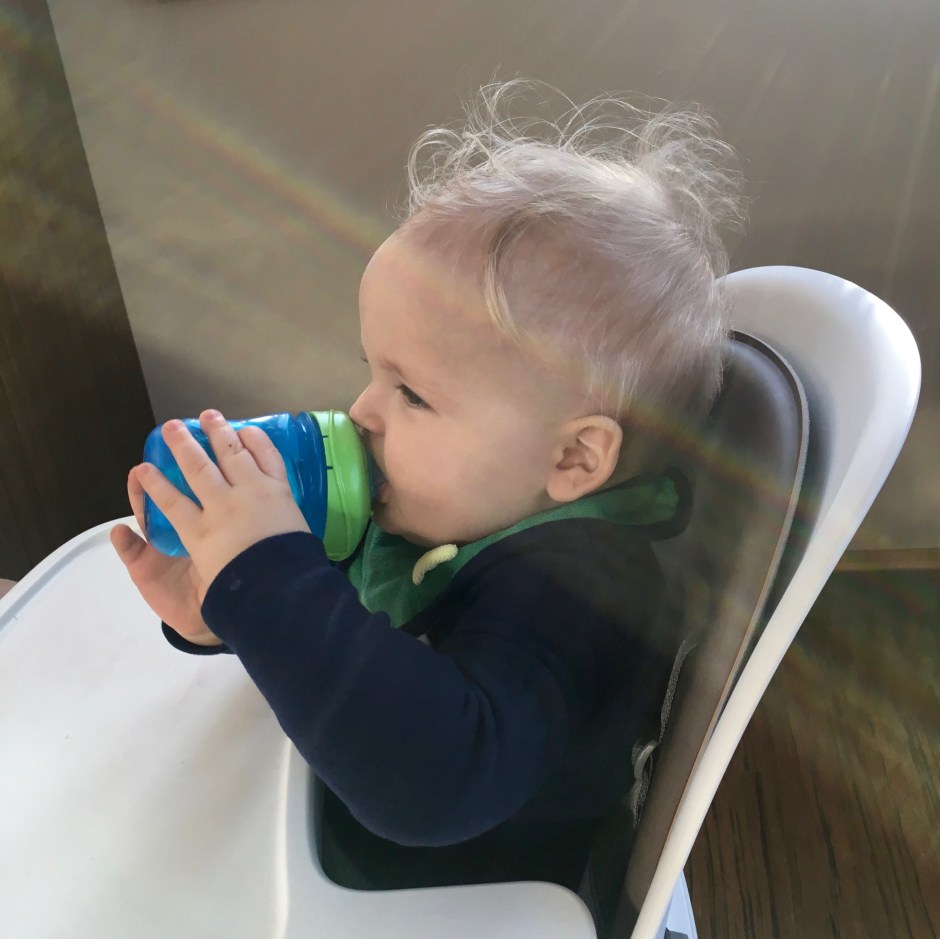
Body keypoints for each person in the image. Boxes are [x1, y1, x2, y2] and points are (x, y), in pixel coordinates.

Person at [109, 81, 742, 895]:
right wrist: (219, 612)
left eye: (411, 394)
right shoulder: (456, 511)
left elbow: (438, 782)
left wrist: (265, 577)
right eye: (373, 372)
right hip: (322, 832)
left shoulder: (580, 588)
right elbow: (346, 647)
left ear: (574, 459)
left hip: (461, 911)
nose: (361, 412)